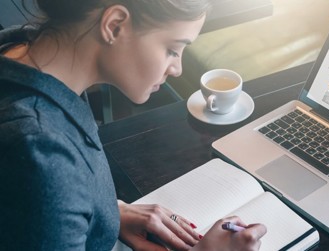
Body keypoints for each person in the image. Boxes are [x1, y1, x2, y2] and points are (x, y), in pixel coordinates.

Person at [0, 0, 267, 250]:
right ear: (115, 25)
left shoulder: (23, 47)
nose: (178, 69)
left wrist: (104, 211)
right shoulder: (39, 154)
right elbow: (43, 180)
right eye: (172, 49)